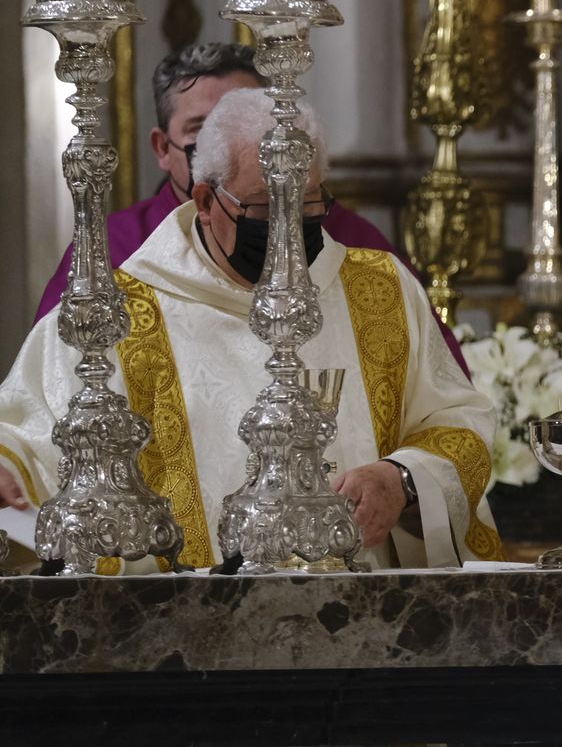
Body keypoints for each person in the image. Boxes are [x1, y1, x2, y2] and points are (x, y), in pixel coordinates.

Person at [0, 89, 501, 570]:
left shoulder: (380, 292)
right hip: (189, 626)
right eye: (264, 207)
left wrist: (401, 478)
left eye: (305, 204)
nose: (286, 229)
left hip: (364, 613)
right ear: (205, 199)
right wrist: (10, 467)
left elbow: (459, 424)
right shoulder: (121, 313)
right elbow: (34, 433)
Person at [34, 41, 467, 374]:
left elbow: (437, 380)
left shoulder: (346, 239)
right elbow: (58, 377)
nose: (226, 139)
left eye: (245, 119)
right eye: (202, 127)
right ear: (163, 148)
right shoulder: (114, 249)